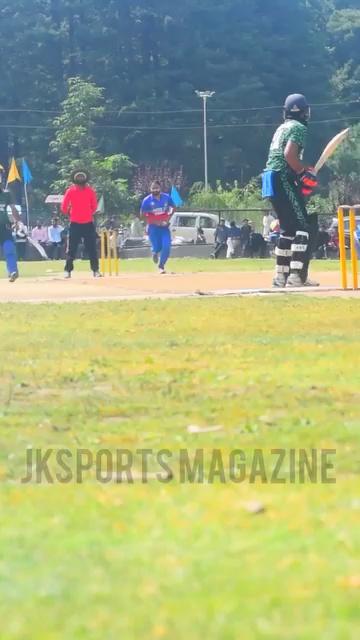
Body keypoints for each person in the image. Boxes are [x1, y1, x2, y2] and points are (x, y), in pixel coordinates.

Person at [263, 93, 318, 287]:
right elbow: (288, 154)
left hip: (270, 176)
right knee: (303, 225)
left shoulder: (282, 126)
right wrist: (302, 172)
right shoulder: (298, 127)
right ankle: (296, 276)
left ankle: (280, 276)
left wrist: (300, 173)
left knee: (287, 228)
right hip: (282, 175)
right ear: (304, 112)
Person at [61, 170, 101, 278]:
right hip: (75, 224)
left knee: (92, 248)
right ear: (74, 179)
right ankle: (68, 271)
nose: (80, 179)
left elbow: (94, 206)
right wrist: (69, 212)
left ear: (85, 178)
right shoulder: (70, 191)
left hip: (88, 223)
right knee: (72, 249)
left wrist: (88, 213)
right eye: (78, 177)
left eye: (81, 177)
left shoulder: (90, 191)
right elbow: (64, 206)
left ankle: (95, 270)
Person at [140, 180, 175, 274]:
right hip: (153, 227)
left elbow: (173, 208)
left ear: (160, 188)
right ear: (150, 189)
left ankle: (161, 266)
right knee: (157, 247)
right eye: (153, 188)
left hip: (164, 227)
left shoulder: (166, 197)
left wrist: (167, 220)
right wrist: (150, 222)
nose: (155, 190)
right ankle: (155, 252)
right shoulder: (147, 200)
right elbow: (142, 215)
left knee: (166, 246)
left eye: (157, 188)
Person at [0, 180, 21, 282]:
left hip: (4, 227)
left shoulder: (6, 194)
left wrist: (18, 222)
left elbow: (13, 209)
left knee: (9, 248)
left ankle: (13, 271)